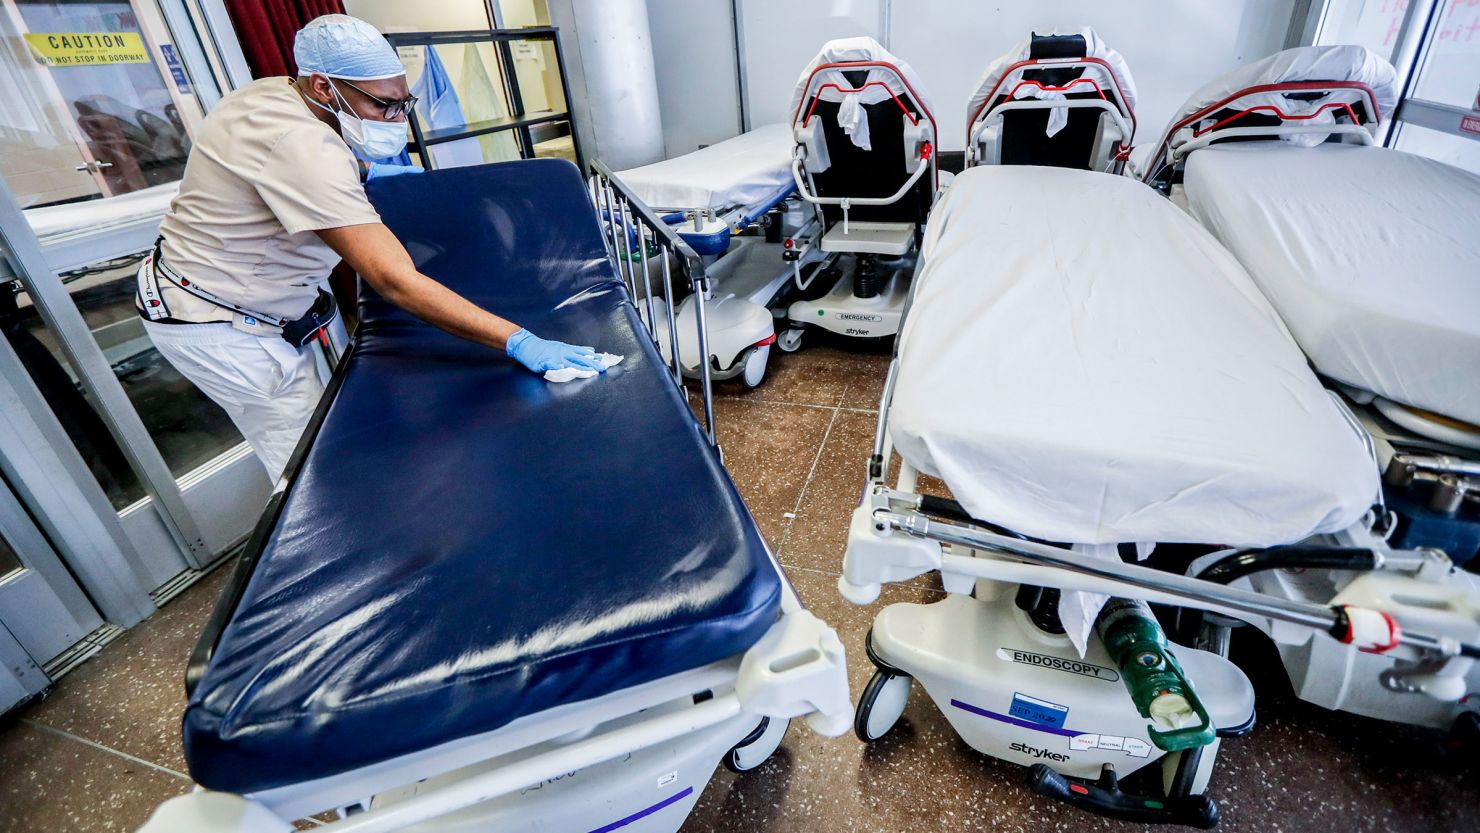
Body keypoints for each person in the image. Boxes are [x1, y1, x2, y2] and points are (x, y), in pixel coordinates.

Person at [136, 14, 604, 480]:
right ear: (323, 86)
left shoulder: (269, 94)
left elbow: (286, 164)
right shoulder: (302, 146)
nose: (397, 119)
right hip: (222, 324)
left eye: (404, 102)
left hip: (250, 295)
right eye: (384, 105)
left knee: (333, 420)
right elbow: (393, 280)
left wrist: (363, 172)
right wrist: (518, 340)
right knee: (311, 468)